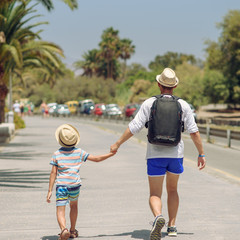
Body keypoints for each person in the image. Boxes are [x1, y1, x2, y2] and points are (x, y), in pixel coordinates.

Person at [110, 68, 206, 240]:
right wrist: (201, 154)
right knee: (173, 190)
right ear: (174, 86)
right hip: (176, 154)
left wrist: (117, 144)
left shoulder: (149, 103)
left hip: (155, 154)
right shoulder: (183, 105)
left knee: (155, 193)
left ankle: (158, 217)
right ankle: (173, 227)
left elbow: (134, 127)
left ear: (159, 84)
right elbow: (194, 132)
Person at [47, 124, 115, 240]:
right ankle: (72, 230)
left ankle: (64, 229)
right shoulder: (79, 152)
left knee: (60, 209)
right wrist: (110, 154)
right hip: (74, 185)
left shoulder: (57, 154)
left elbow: (53, 173)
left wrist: (49, 190)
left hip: (62, 185)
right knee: (74, 206)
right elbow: (96, 159)